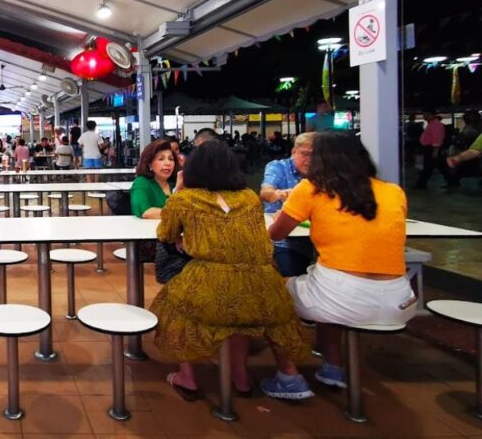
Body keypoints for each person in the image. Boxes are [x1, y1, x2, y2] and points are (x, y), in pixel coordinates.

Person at [152, 141, 312, 401]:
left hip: (210, 278)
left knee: (173, 307)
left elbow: (165, 234)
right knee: (240, 318)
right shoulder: (249, 197)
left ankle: (188, 377)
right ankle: (241, 377)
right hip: (261, 283)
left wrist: (180, 196)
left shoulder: (185, 199)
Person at [269, 131, 415, 391]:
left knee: (271, 294)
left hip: (341, 295)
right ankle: (332, 367)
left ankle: (288, 377)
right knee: (321, 285)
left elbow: (275, 234)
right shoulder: (394, 191)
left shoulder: (311, 188)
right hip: (400, 300)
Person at [260, 132, 316, 277]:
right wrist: (281, 194)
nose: (310, 160)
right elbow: (266, 193)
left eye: (315, 155)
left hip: (319, 238)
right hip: (284, 240)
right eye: (305, 154)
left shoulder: (322, 170)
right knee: (291, 273)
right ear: (293, 152)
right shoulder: (278, 167)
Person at [130, 139, 176, 219]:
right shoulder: (141, 183)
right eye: (161, 159)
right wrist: (178, 215)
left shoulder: (175, 182)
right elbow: (145, 212)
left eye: (171, 159)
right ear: (149, 164)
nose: (168, 163)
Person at [415, 108, 457, 189]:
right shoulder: (431, 123)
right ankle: (453, 182)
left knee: (430, 167)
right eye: (424, 115)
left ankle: (421, 184)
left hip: (432, 148)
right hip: (431, 148)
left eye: (426, 115)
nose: (425, 117)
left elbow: (437, 138)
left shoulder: (435, 124)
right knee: (440, 167)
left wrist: (435, 151)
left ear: (432, 115)